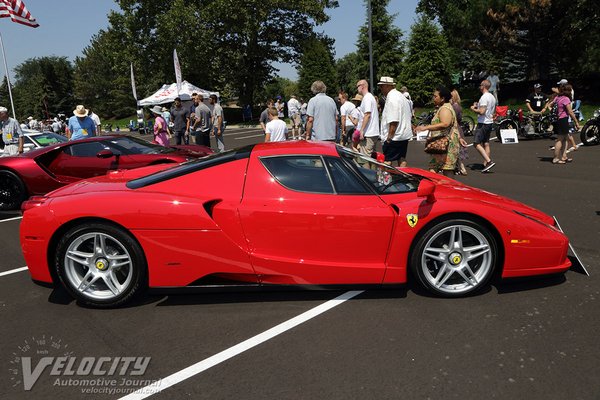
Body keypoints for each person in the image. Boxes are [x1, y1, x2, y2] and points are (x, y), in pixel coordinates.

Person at [415, 86, 460, 176]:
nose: (433, 98)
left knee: (446, 170)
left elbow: (445, 123)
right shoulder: (443, 107)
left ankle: (447, 189)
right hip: (441, 145)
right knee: (434, 168)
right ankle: (439, 187)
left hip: (446, 145)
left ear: (442, 98)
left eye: (435, 96)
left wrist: (426, 127)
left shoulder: (445, 109)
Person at [377, 77, 413, 167]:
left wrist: (389, 138)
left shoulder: (392, 97)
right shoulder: (400, 96)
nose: (380, 89)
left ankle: (386, 180)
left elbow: (394, 120)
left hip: (395, 137)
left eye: (381, 86)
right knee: (401, 158)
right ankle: (403, 178)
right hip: (403, 135)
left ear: (387, 86)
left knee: (387, 161)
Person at [547, 84, 580, 164]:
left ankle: (564, 156)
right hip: (563, 120)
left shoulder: (557, 98)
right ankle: (555, 158)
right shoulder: (566, 99)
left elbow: (549, 105)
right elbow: (570, 112)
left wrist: (553, 111)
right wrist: (576, 121)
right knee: (560, 140)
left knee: (565, 139)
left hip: (558, 120)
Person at [470, 80, 496, 173]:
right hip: (489, 122)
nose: (479, 86)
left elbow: (482, 111)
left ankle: (489, 162)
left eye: (480, 85)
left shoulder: (484, 97)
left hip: (483, 123)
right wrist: (478, 107)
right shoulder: (492, 97)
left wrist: (473, 109)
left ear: (483, 86)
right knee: (486, 143)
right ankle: (486, 165)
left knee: (476, 143)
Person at [355, 79, 380, 157]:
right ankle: (373, 169)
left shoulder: (367, 98)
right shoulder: (369, 97)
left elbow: (367, 114)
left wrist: (361, 130)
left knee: (365, 158)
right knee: (372, 157)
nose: (357, 88)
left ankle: (367, 170)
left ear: (362, 86)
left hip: (369, 133)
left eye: (357, 86)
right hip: (372, 132)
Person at [450, 89, 469, 175]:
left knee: (454, 147)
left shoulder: (453, 107)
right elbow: (460, 119)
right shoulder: (459, 106)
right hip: (458, 127)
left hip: (454, 127)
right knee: (458, 147)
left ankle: (460, 167)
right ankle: (460, 166)